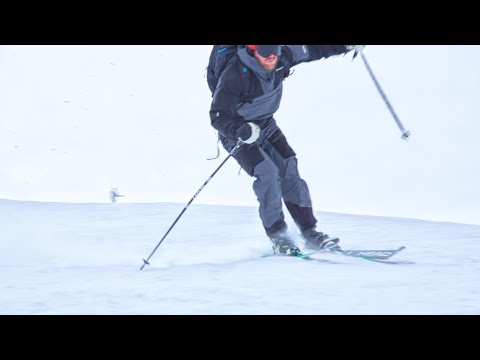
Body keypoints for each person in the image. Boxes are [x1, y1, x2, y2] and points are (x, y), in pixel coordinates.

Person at [209, 45, 365, 256]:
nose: (271, 55)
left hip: (265, 124)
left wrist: (344, 46)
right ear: (253, 49)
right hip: (239, 132)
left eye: (274, 48)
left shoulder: (282, 57)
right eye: (265, 50)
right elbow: (218, 115)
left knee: (289, 166)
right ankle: (279, 237)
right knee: (268, 173)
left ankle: (310, 232)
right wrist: (241, 130)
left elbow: (313, 49)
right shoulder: (235, 73)